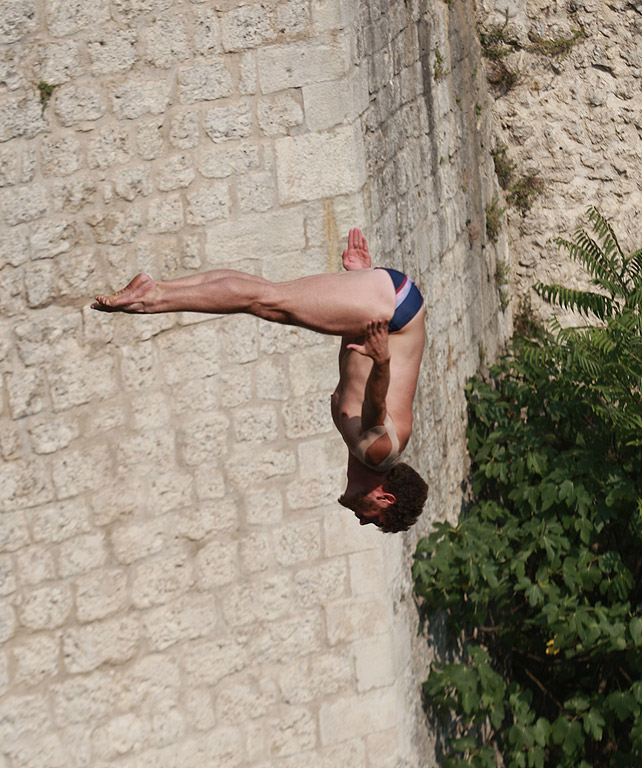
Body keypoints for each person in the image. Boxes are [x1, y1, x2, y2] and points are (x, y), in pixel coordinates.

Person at [92, 228, 428, 532]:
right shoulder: (378, 452)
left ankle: (156, 289)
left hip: (386, 305)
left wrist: (359, 283)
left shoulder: (362, 451)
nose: (361, 518)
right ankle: (153, 298)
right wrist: (382, 358)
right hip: (393, 311)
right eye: (372, 519)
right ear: (386, 499)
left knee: (267, 297)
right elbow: (375, 400)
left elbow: (356, 358)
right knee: (266, 302)